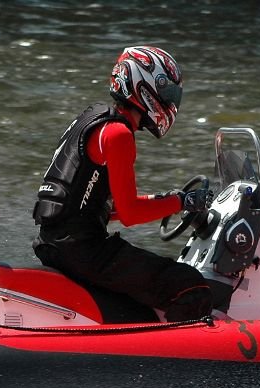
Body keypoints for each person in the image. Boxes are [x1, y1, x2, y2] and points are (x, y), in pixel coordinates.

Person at [31, 45, 213, 322]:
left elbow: (99, 205)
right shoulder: (118, 135)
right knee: (191, 285)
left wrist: (168, 201)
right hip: (82, 249)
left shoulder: (92, 120)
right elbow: (129, 215)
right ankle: (167, 359)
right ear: (145, 87)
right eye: (167, 94)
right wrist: (182, 201)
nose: (170, 103)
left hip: (56, 243)